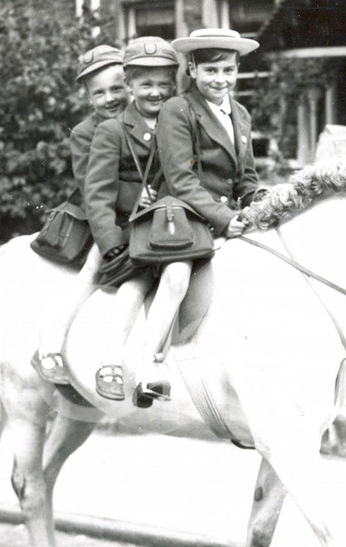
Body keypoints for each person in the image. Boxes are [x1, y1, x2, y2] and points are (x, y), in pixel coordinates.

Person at [129, 28, 263, 406]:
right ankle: (148, 365)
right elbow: (180, 179)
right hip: (184, 213)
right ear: (192, 70)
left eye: (228, 70)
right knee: (176, 277)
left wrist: (262, 203)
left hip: (227, 216)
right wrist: (224, 217)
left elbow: (247, 179)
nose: (221, 80)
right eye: (211, 71)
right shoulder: (178, 109)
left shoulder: (240, 114)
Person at [83, 37, 181, 401]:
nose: (155, 92)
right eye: (145, 84)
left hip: (174, 221)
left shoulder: (182, 121)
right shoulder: (112, 130)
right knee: (136, 279)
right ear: (130, 86)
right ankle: (110, 361)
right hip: (132, 227)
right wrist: (111, 245)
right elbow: (98, 194)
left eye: (163, 84)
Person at [32, 44, 129, 384]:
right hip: (106, 216)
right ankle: (50, 344)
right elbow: (92, 188)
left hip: (145, 212)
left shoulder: (144, 120)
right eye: (99, 93)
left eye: (117, 88)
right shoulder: (85, 133)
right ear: (88, 97)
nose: (109, 98)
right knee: (92, 268)